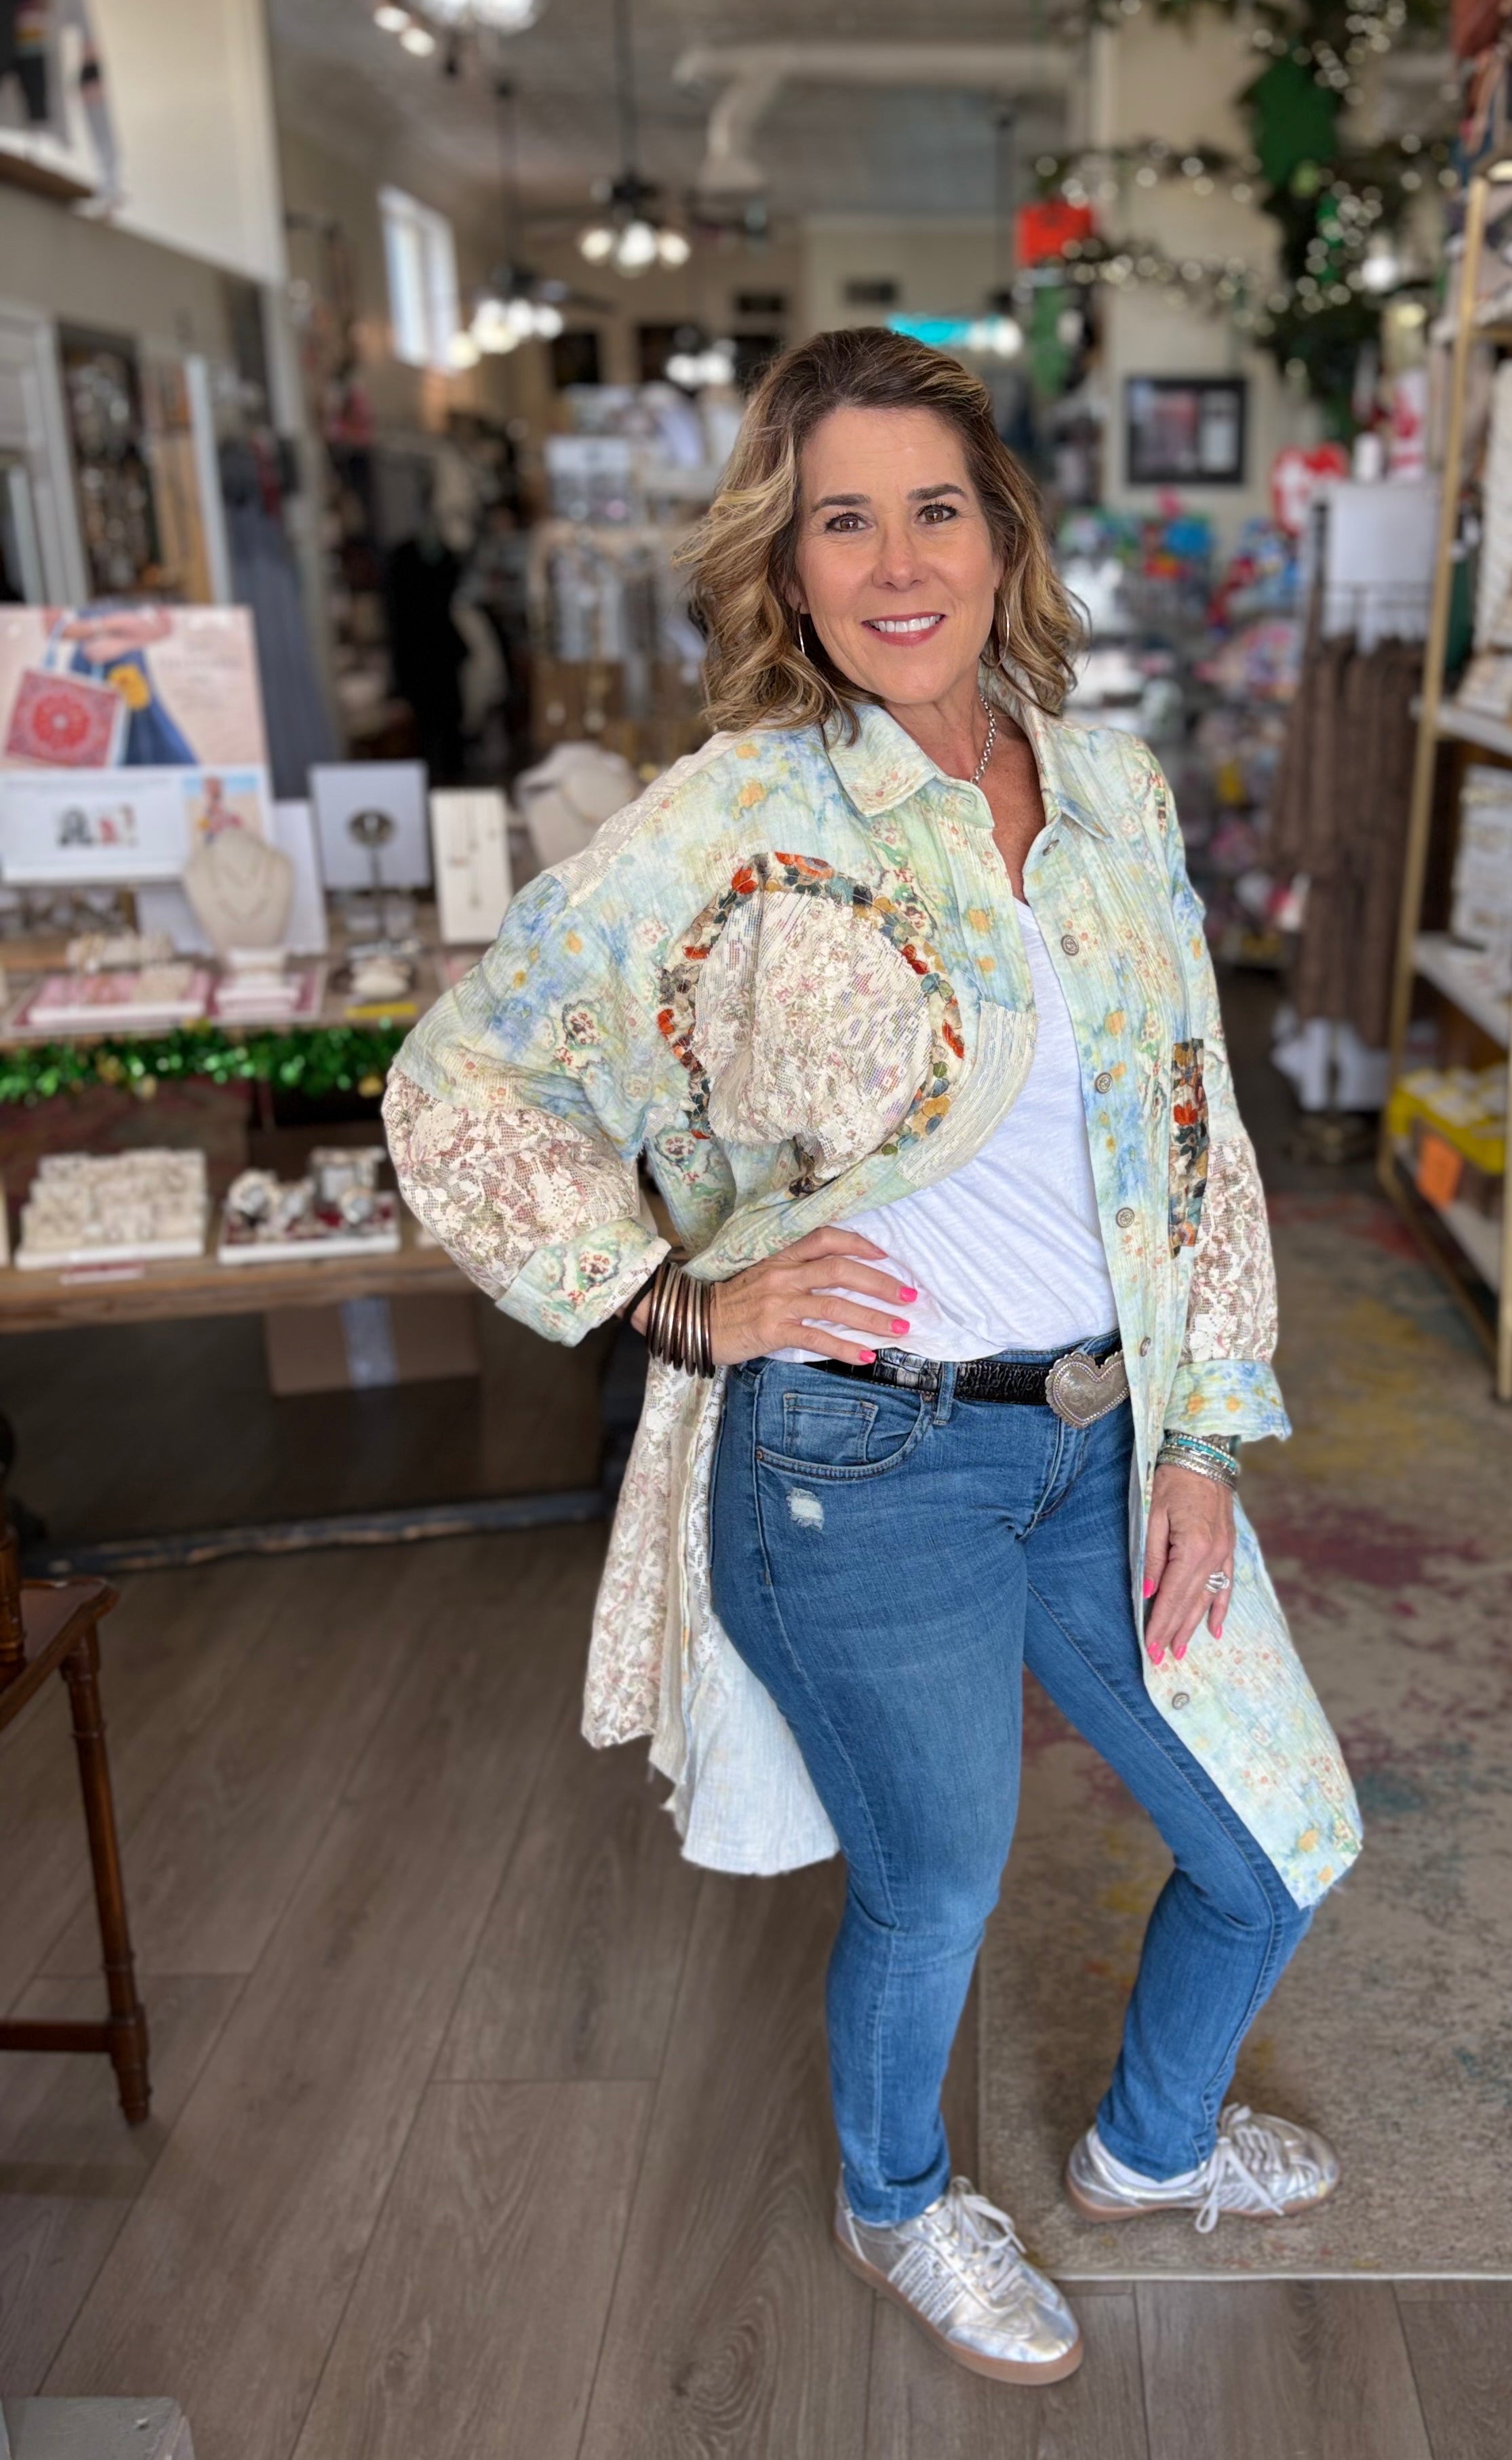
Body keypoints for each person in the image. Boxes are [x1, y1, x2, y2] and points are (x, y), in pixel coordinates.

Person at [384, 328, 1361, 2389]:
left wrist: (1205, 1442)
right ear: (790, 561)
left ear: (1003, 537)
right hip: (860, 1461)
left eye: (937, 511)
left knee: (1278, 1834)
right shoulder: (735, 818)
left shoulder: (1112, 787)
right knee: (937, 1881)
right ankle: (898, 2195)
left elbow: (1194, 1127)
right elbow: (462, 1082)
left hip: (1111, 1439)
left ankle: (1149, 2146)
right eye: (846, 520)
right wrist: (676, 1298)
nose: (898, 562)